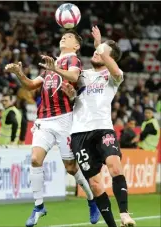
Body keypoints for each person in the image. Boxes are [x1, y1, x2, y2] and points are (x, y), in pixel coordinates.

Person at [5, 30, 100, 227]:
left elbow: (74, 76)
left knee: (71, 168)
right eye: (63, 36)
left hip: (64, 120)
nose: (63, 37)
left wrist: (55, 69)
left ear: (76, 46)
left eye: (69, 37)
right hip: (44, 120)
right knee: (34, 159)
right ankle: (39, 206)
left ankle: (92, 199)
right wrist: (18, 73)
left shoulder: (73, 60)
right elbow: (31, 85)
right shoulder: (51, 63)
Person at [62, 26, 136, 227]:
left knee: (114, 165)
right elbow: (71, 97)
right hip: (79, 135)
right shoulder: (82, 75)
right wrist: (70, 94)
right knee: (95, 184)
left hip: (103, 128)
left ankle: (125, 214)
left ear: (109, 58)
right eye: (95, 50)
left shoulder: (113, 77)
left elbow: (114, 68)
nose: (96, 52)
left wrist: (99, 45)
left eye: (101, 52)